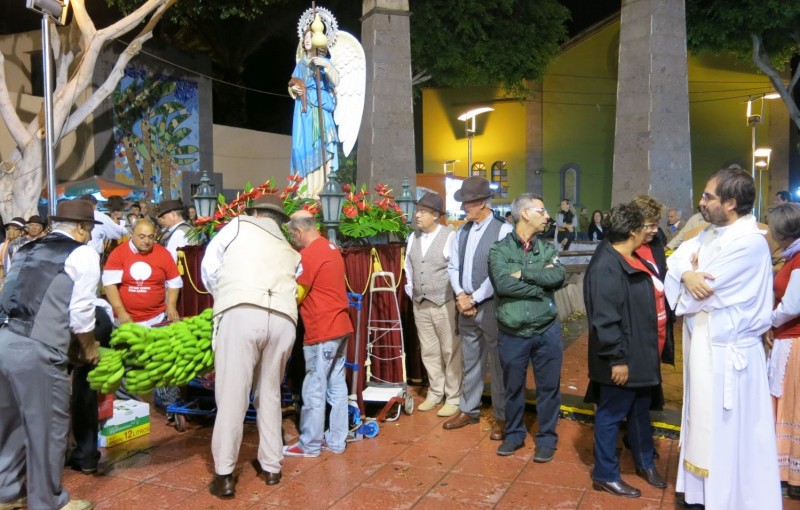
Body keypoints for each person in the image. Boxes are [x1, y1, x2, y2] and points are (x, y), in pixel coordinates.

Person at [665, 167, 781, 509]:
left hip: (731, 355)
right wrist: (687, 272)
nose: (701, 202)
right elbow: (677, 262)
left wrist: (690, 279)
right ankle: (703, 493)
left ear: (730, 203)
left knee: (730, 431)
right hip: (705, 345)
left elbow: (706, 291)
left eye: (708, 197)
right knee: (703, 422)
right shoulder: (710, 234)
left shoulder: (748, 244)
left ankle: (732, 497)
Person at [0, 199, 100, 510]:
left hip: (3, 340)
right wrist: (88, 347)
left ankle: (7, 492)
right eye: (90, 229)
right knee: (48, 428)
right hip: (38, 351)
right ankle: (48, 502)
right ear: (83, 228)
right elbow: (81, 312)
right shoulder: (82, 253)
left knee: (10, 422)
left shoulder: (26, 248)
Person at [201, 195, 300, 498]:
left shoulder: (237, 226)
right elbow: (297, 280)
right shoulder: (289, 248)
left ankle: (225, 474)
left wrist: (226, 294)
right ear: (280, 221)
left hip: (242, 310)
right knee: (269, 392)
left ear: (254, 212)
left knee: (233, 395)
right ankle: (271, 466)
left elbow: (209, 266)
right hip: (284, 319)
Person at [585, 203, 667, 498]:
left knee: (639, 412)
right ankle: (605, 474)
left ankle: (645, 463)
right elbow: (606, 319)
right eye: (645, 228)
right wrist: (617, 360)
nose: (649, 232)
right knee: (611, 414)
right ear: (632, 231)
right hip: (622, 359)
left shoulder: (625, 256)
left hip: (639, 354)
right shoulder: (607, 265)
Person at [488, 194, 565, 462]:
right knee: (512, 388)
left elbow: (558, 276)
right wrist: (539, 290)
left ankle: (546, 438)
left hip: (546, 329)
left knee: (549, 388)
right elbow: (503, 285)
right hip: (513, 332)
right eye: (542, 211)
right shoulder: (499, 250)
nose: (547, 216)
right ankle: (514, 435)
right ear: (525, 214)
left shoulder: (547, 249)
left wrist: (525, 274)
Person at [444, 177, 512, 439]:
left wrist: (474, 299)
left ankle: (502, 416)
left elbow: (499, 272)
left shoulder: (503, 230)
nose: (463, 208)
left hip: (490, 305)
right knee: (470, 360)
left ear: (482, 202)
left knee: (497, 364)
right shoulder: (462, 231)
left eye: (467, 203)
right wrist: (461, 295)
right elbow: (453, 266)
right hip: (465, 306)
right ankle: (468, 409)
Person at [283, 210, 354, 457]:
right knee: (336, 385)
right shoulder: (331, 247)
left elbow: (298, 294)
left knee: (314, 385)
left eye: (293, 236)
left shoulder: (310, 254)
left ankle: (310, 445)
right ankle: (336, 441)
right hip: (341, 326)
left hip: (322, 329)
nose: (294, 240)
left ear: (300, 231)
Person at [403, 192, 461, 417]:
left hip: (443, 303)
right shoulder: (412, 238)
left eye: (423, 212)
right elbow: (409, 268)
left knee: (450, 351)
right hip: (420, 303)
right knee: (428, 351)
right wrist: (413, 292)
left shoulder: (449, 236)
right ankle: (435, 393)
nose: (417, 215)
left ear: (436, 215)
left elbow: (455, 269)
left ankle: (453, 397)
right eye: (417, 211)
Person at [765, 203, 800, 498]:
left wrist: (768, 320)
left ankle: (790, 473)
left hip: (794, 340)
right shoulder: (793, 256)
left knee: (791, 405)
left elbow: (793, 306)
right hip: (789, 337)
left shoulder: (799, 259)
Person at [102, 219, 182, 325]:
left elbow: (174, 282)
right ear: (132, 234)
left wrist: (171, 306)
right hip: (125, 320)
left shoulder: (163, 253)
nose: (147, 241)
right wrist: (120, 311)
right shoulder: (118, 253)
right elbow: (109, 285)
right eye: (142, 237)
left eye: (150, 237)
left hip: (156, 318)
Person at [290, 28, 340, 197]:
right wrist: (294, 88)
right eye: (305, 37)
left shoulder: (325, 62)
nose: (307, 40)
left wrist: (325, 65)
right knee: (300, 146)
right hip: (303, 111)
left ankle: (319, 190)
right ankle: (304, 190)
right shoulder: (301, 64)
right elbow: (292, 83)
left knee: (320, 144)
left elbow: (335, 81)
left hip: (320, 106)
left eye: (311, 36)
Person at [0, 217, 25, 284]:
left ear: (22, 232)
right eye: (8, 228)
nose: (10, 231)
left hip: (20, 280)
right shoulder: (2, 246)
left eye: (14, 228)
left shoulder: (25, 246)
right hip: (5, 280)